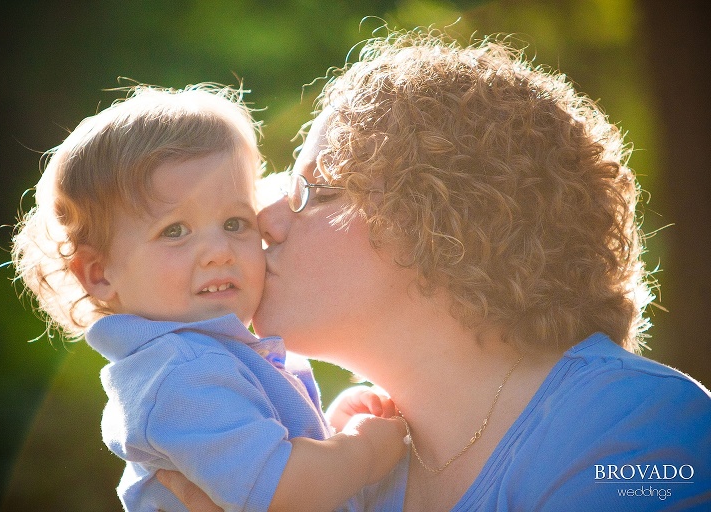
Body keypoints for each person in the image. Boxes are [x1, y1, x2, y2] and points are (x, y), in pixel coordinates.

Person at [158, 31, 711, 511]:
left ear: (447, 220)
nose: (265, 219)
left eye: (318, 191)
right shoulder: (342, 467)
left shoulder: (640, 427)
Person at [10, 84, 407, 512]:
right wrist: (360, 452)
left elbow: (269, 473)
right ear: (100, 274)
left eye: (235, 223)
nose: (220, 251)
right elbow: (281, 495)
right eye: (175, 231)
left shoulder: (214, 356)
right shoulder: (178, 374)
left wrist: (330, 431)